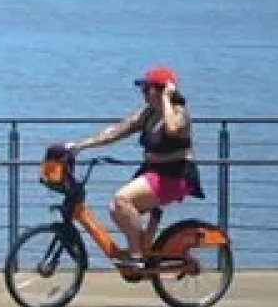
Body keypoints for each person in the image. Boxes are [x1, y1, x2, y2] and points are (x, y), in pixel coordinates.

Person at [63, 65, 199, 271]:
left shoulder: (180, 112)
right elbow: (118, 130)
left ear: (162, 90)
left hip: (175, 176)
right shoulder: (148, 113)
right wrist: (81, 145)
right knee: (116, 209)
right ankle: (144, 248)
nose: (143, 93)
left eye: (147, 88)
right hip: (153, 173)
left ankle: (137, 256)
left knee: (121, 201)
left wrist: (167, 98)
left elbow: (172, 128)